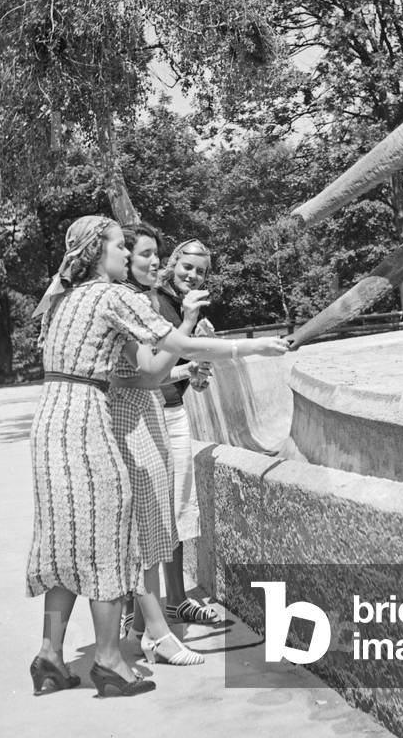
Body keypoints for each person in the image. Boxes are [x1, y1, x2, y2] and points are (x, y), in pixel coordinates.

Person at [26, 215, 287, 698]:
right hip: (88, 420)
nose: (127, 254)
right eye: (119, 247)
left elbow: (149, 368)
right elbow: (177, 343)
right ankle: (108, 661)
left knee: (62, 545)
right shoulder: (111, 294)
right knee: (109, 541)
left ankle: (50, 657)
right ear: (96, 253)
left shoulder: (62, 299)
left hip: (48, 422)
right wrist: (254, 346)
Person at [109, 223, 204, 666]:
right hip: (137, 417)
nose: (193, 275)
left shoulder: (152, 300)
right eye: (143, 253)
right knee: (142, 523)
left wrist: (192, 367)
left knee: (163, 518)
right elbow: (149, 372)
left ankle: (153, 620)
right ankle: (141, 626)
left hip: (159, 412)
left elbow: (165, 367)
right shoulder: (128, 303)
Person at [154, 239, 218, 624]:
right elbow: (154, 362)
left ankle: (176, 600)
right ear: (172, 264)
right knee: (147, 511)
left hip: (176, 412)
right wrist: (189, 325)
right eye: (187, 267)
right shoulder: (155, 301)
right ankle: (136, 610)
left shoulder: (183, 307)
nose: (192, 275)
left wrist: (201, 365)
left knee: (177, 507)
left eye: (200, 272)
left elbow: (191, 379)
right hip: (150, 413)